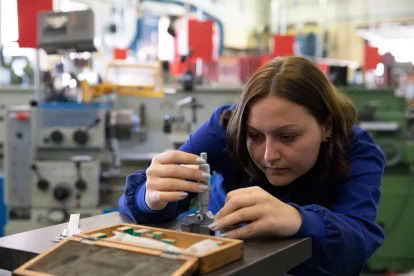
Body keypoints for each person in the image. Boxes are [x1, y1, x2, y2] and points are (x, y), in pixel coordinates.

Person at [119, 56, 385, 275]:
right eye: (255, 136)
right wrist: (148, 198)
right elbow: (158, 191)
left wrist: (300, 220)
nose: (269, 155)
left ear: (326, 127)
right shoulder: (226, 127)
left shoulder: (357, 151)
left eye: (287, 137)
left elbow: (355, 247)